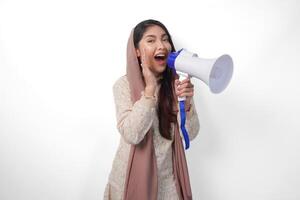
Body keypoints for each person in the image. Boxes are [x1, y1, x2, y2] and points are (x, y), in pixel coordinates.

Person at [104, 19, 200, 200]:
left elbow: (191, 133)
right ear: (137, 52)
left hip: (168, 184)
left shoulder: (177, 85)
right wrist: (148, 91)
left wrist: (186, 103)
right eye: (151, 40)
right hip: (128, 182)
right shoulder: (123, 85)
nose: (161, 45)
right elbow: (132, 134)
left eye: (165, 39)